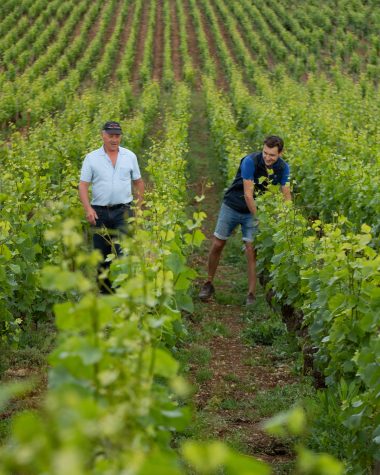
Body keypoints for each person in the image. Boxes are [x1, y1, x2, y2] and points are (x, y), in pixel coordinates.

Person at [198, 135, 291, 305]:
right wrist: (260, 218)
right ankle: (208, 283)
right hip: (233, 205)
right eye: (265, 153)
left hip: (253, 212)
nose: (268, 157)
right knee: (218, 243)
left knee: (251, 250)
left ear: (280, 154)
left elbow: (286, 194)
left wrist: (288, 218)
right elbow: (248, 195)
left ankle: (251, 294)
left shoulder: (283, 168)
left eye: (272, 155)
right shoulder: (250, 161)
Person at [79, 121, 145, 293]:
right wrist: (88, 209)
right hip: (99, 213)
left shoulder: (130, 156)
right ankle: (105, 294)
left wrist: (137, 209)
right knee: (102, 257)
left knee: (123, 253)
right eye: (111, 136)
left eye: (117, 136)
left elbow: (139, 183)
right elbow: (83, 185)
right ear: (103, 135)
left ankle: (123, 294)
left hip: (123, 211)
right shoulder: (91, 158)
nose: (114, 139)